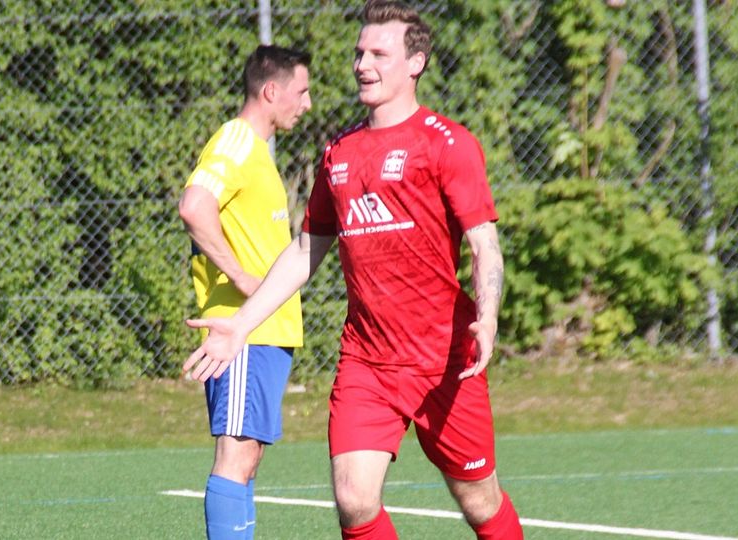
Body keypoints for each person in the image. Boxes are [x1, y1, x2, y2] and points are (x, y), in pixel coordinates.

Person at [183, 2, 523, 538]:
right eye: (360, 53)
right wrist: (241, 325)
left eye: (379, 54)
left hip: (443, 359)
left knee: (480, 501)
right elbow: (305, 250)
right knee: (354, 500)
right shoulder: (340, 152)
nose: (363, 64)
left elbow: (485, 245)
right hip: (368, 362)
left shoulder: (448, 143)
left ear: (415, 63)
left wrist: (489, 315)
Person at [177, 44, 312, 539]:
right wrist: (239, 278)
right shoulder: (236, 139)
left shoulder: (258, 153)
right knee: (235, 457)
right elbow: (194, 206)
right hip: (243, 332)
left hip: (266, 333)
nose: (307, 103)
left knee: (247, 458)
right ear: (271, 91)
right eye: (301, 91)